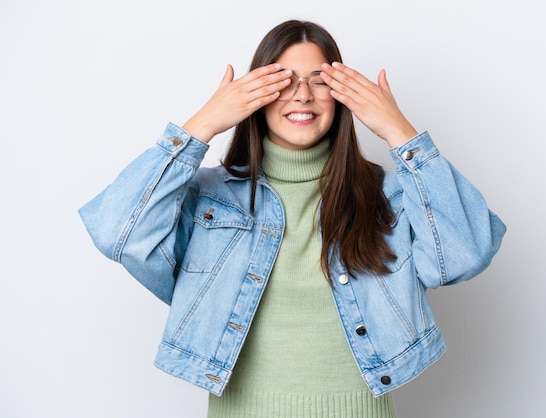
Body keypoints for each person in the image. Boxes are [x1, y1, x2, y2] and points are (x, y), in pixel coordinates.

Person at [79, 19, 506, 418]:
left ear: (342, 96)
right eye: (283, 82)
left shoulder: (388, 195)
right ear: (255, 95)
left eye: (319, 81)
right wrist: (202, 126)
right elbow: (117, 232)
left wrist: (401, 134)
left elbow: (467, 253)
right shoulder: (208, 198)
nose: (302, 95)